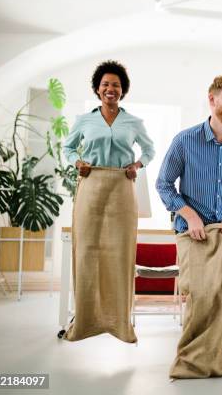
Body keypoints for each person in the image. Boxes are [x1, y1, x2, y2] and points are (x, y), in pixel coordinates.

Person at [156, 73, 222, 379]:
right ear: (213, 100)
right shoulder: (185, 140)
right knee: (201, 294)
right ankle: (189, 360)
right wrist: (188, 214)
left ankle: (213, 357)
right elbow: (164, 184)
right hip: (192, 231)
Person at [62, 60, 155, 343]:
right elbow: (67, 147)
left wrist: (137, 165)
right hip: (91, 184)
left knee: (121, 252)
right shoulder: (84, 120)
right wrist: (76, 161)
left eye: (115, 85)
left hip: (122, 187)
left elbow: (149, 149)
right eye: (105, 85)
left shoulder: (133, 122)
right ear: (97, 89)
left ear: (122, 90)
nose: (110, 89)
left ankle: (119, 324)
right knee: (87, 249)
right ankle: (85, 322)